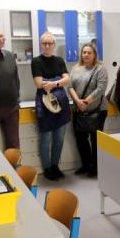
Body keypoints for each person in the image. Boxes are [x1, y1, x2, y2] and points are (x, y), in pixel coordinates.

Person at [32, 32, 70, 180]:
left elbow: (67, 79)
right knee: (46, 138)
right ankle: (47, 168)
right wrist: (59, 80)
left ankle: (55, 166)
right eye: (44, 43)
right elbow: (38, 83)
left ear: (54, 45)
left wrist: (52, 83)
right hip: (44, 103)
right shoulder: (36, 61)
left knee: (59, 139)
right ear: (41, 45)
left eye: (50, 43)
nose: (47, 46)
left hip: (61, 103)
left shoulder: (59, 60)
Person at [68, 43, 108, 178]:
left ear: (94, 55)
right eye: (84, 52)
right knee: (80, 139)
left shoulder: (100, 69)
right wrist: (78, 102)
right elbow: (70, 87)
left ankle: (95, 167)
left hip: (97, 111)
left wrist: (85, 102)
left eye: (89, 52)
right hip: (79, 110)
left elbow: (101, 88)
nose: (86, 55)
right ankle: (86, 165)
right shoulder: (75, 68)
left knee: (96, 140)